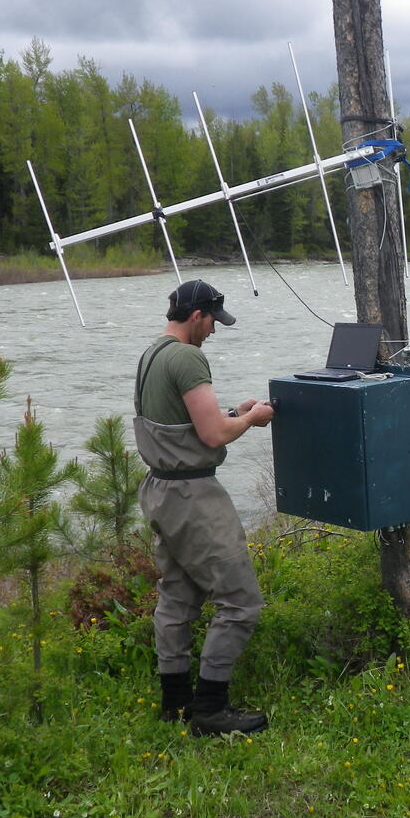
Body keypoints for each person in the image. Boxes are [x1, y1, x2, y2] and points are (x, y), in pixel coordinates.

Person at [133, 278, 275, 737]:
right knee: (241, 601)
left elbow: (187, 424)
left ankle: (174, 702)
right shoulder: (187, 357)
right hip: (193, 497)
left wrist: (234, 412)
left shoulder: (152, 354)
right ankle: (211, 709)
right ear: (197, 315)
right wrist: (251, 419)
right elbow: (211, 436)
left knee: (177, 597)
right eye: (213, 321)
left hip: (160, 490)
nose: (214, 330)